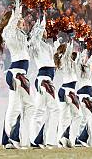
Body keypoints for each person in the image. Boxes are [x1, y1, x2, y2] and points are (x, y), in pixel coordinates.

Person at [0, 0, 34, 149]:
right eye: (19, 18)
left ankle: (8, 140)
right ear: (13, 19)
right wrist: (18, 5)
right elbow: (14, 20)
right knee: (22, 106)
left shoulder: (18, 33)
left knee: (16, 106)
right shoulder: (8, 32)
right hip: (16, 72)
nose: (22, 19)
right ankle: (14, 138)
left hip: (18, 72)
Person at [29, 13, 59, 148]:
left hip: (47, 79)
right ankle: (48, 140)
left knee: (40, 110)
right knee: (53, 109)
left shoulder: (47, 46)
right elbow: (36, 34)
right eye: (44, 30)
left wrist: (56, 38)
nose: (46, 31)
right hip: (43, 78)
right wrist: (42, 17)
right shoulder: (36, 44)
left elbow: (58, 55)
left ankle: (35, 139)